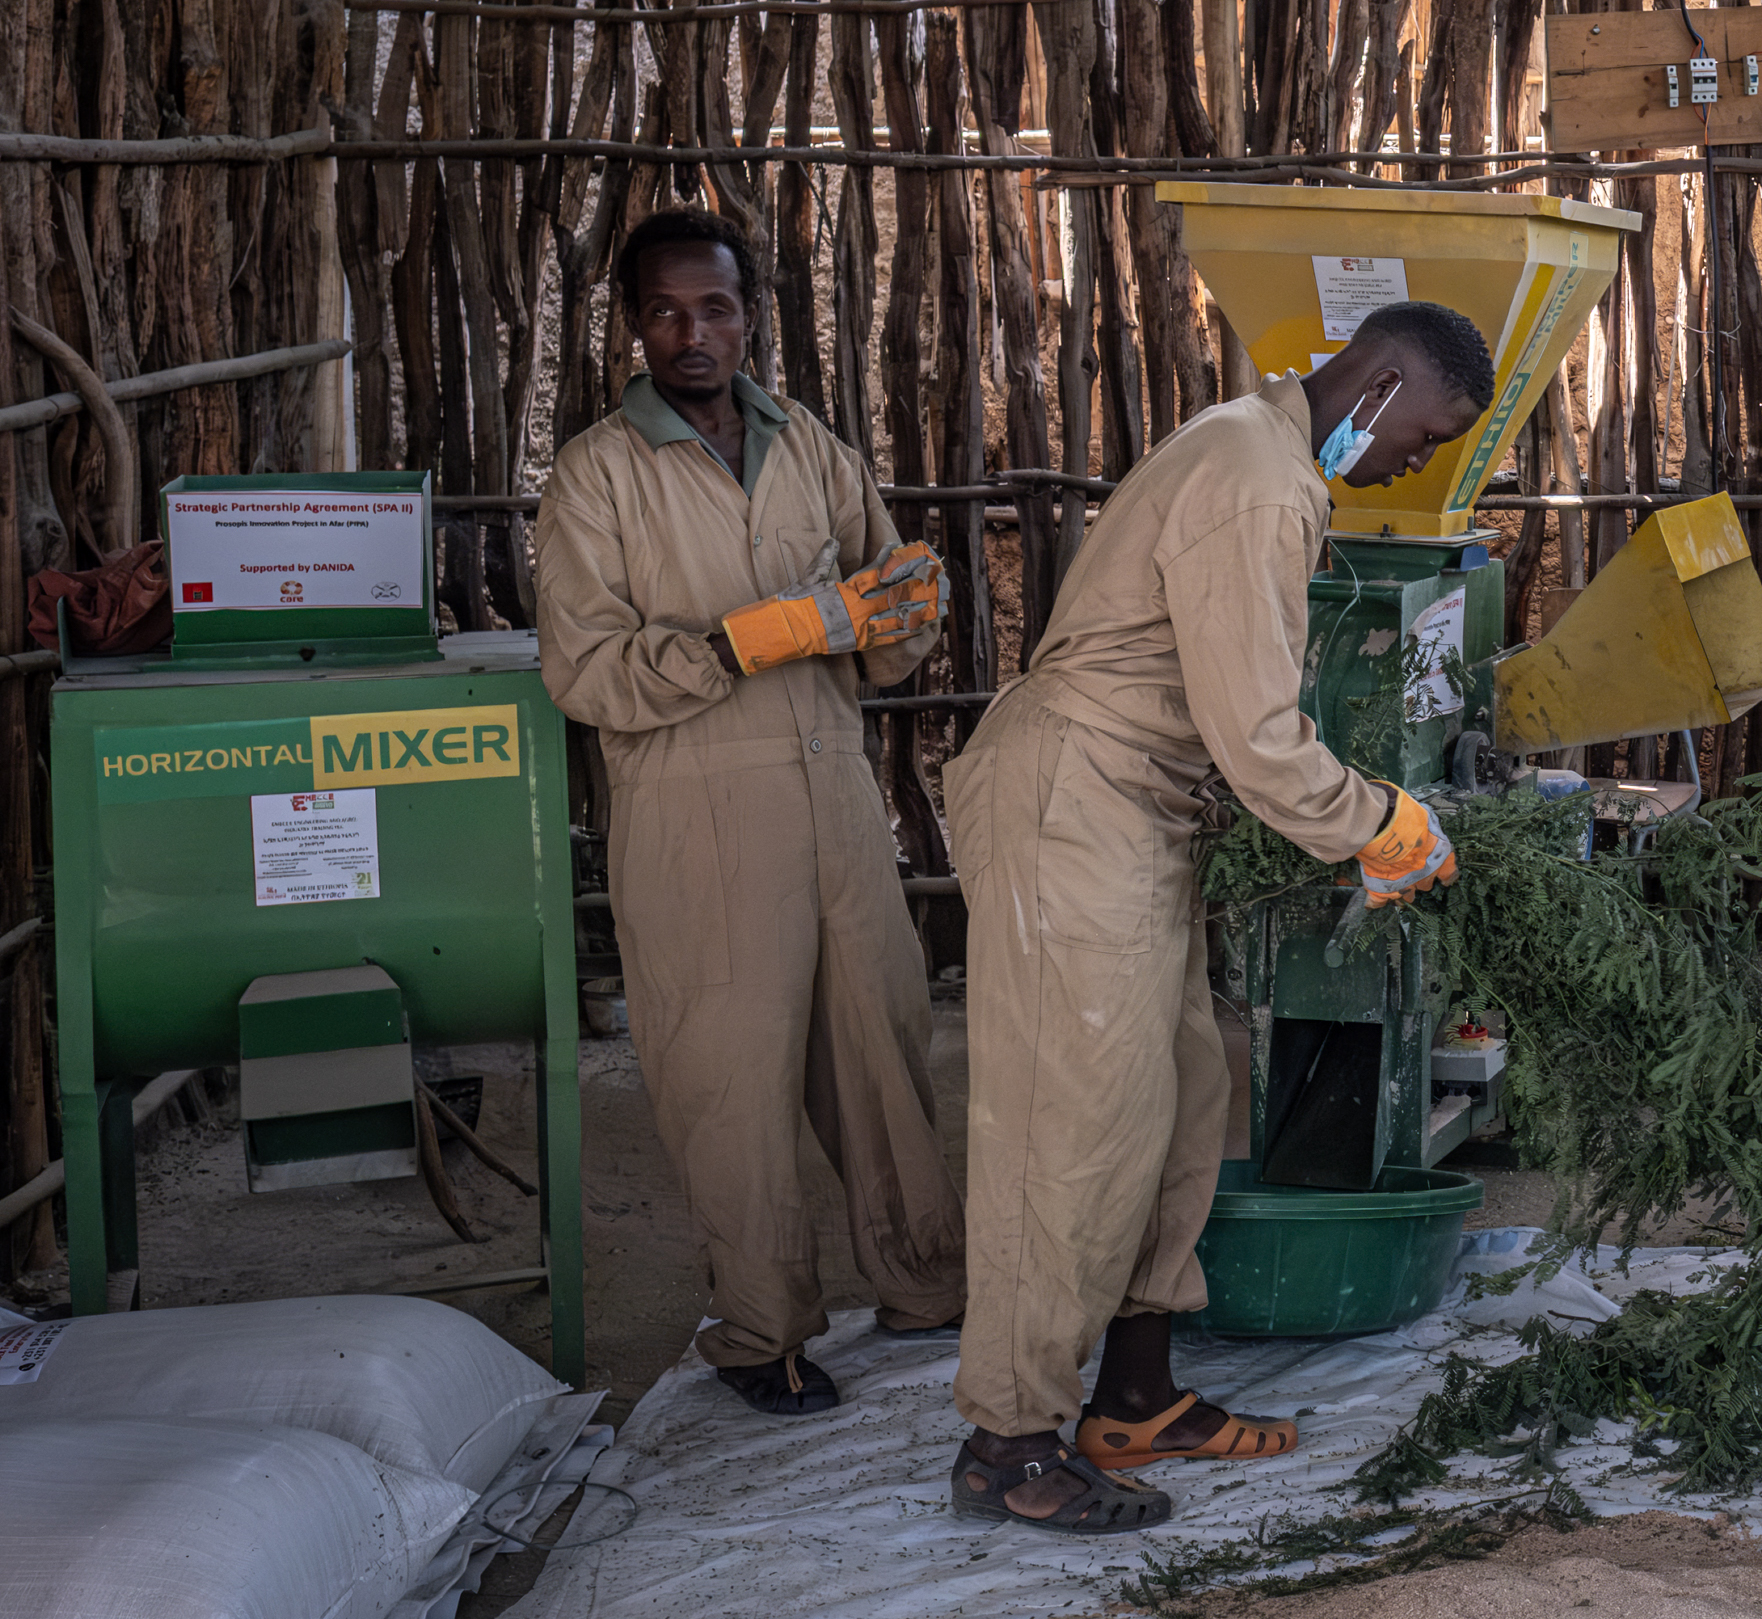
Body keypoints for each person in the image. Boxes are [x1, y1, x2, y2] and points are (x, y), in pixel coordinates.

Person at [940, 299, 1493, 1535]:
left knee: (1180, 1099)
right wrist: (1383, 825)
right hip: (1073, 802)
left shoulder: (1268, 454)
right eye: (1424, 435)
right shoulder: (1259, 479)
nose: (1416, 462)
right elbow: (1257, 739)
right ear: (1379, 383)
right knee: (1067, 1124)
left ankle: (1135, 1397)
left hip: (1135, 810)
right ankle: (1007, 1437)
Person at [535, 207, 966, 1417]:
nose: (693, 333)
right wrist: (757, 635)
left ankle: (926, 1285)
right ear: (633, 325)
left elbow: (887, 615)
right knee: (729, 1088)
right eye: (666, 311)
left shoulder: (808, 442)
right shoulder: (595, 477)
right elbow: (588, 673)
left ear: (748, 315)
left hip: (833, 797)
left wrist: (902, 609)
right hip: (696, 820)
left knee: (882, 1053)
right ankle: (763, 1332)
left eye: (715, 307)